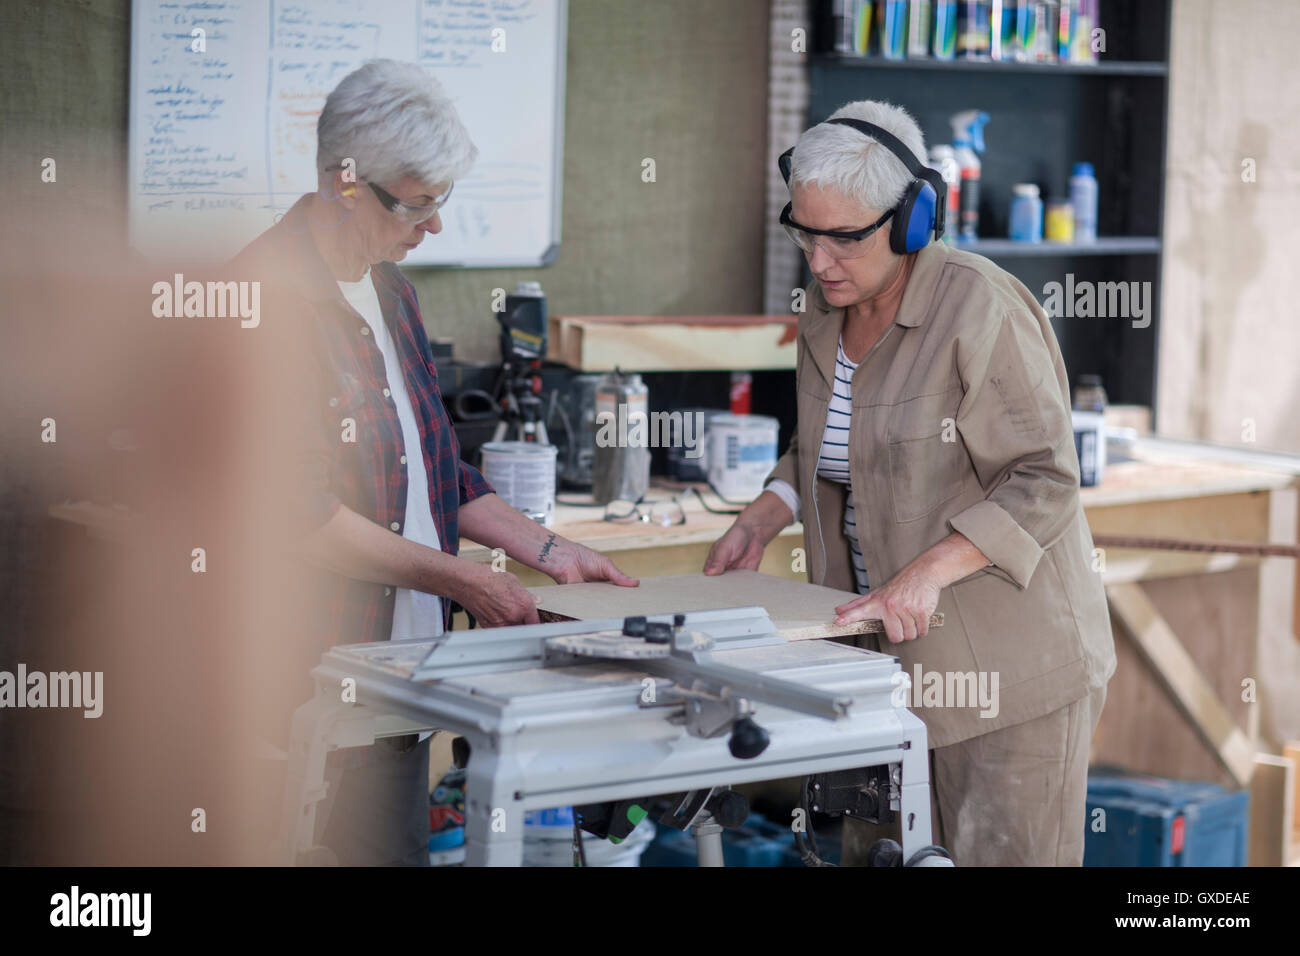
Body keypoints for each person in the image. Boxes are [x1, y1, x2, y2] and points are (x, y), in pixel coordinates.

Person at [230, 60, 637, 865]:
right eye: (418, 205)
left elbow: (437, 468)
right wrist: (466, 581)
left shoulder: (391, 293)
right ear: (345, 184)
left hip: (401, 673)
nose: (435, 228)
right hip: (306, 681)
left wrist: (551, 553)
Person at [705, 99, 1115, 866]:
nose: (818, 259)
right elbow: (829, 442)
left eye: (844, 238)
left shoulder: (978, 304)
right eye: (803, 231)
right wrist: (766, 512)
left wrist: (927, 573)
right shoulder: (829, 313)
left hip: (1004, 677)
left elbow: (1045, 476)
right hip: (879, 666)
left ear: (912, 219)